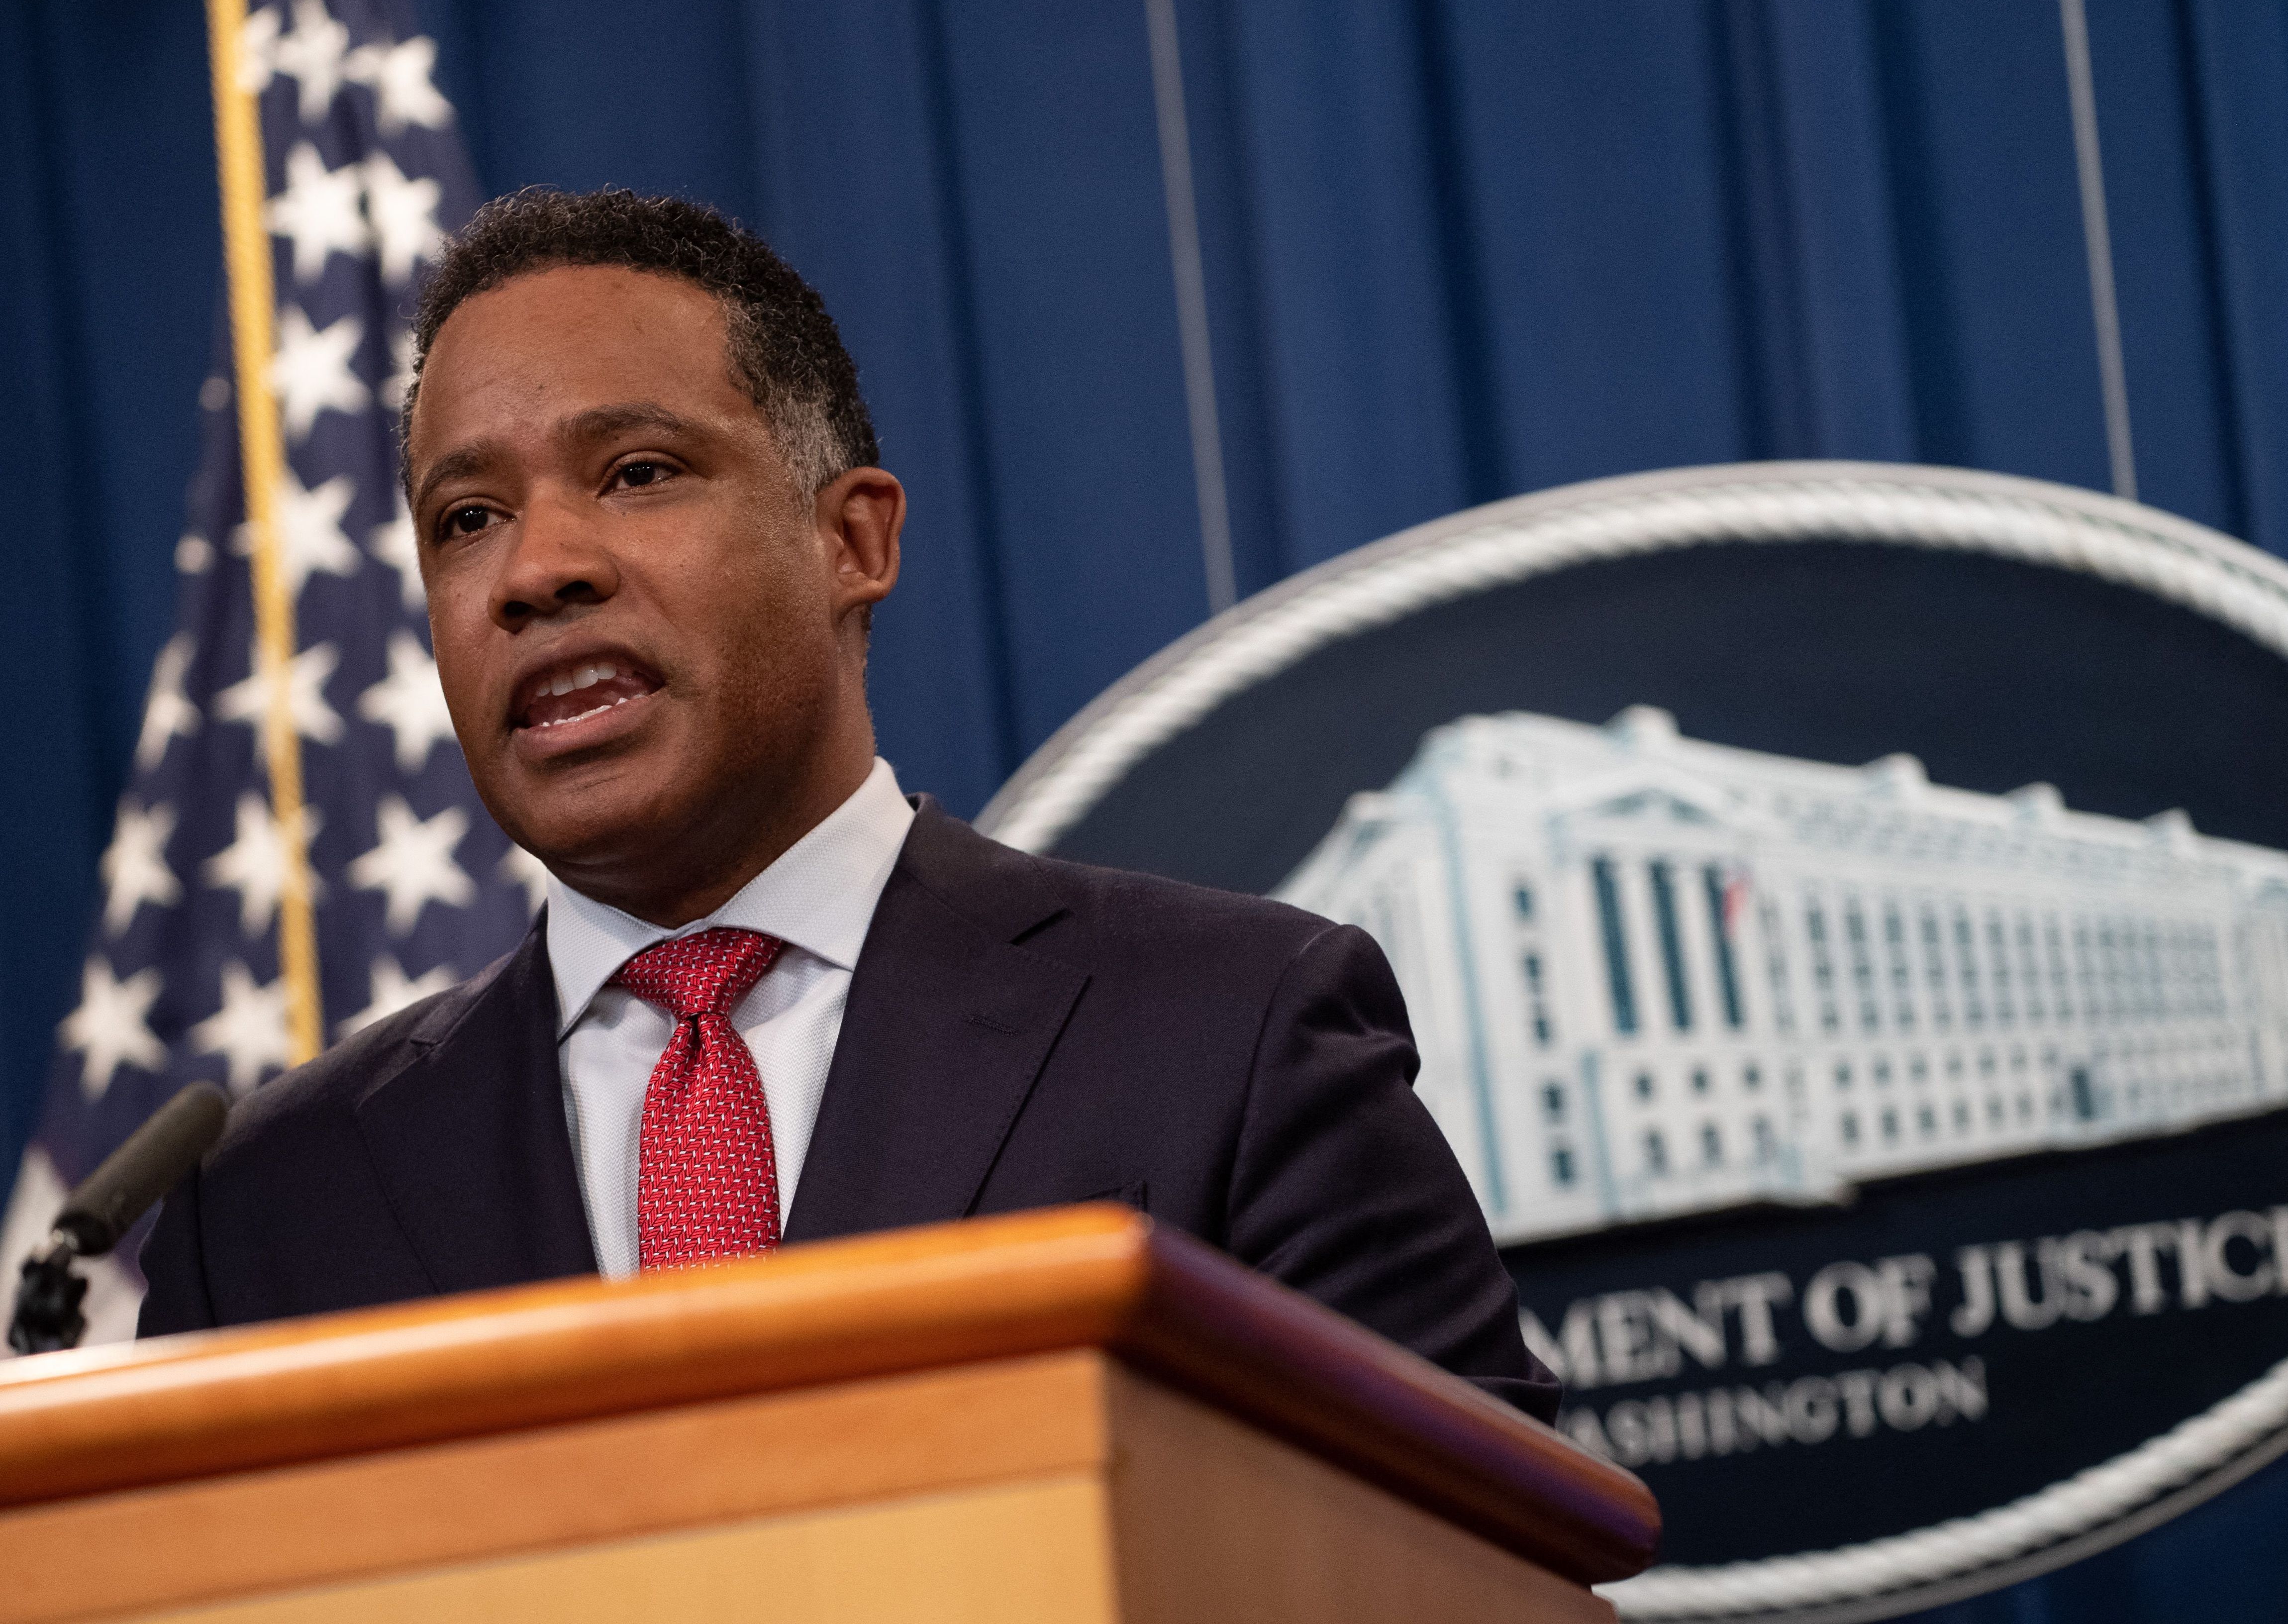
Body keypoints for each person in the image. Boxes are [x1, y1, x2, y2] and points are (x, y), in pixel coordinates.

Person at [138, 190, 1558, 1421]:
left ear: (852, 538)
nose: (535, 569)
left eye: (637, 473)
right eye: (467, 519)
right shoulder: (269, 1204)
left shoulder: (1231, 1035)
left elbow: (1481, 1576)